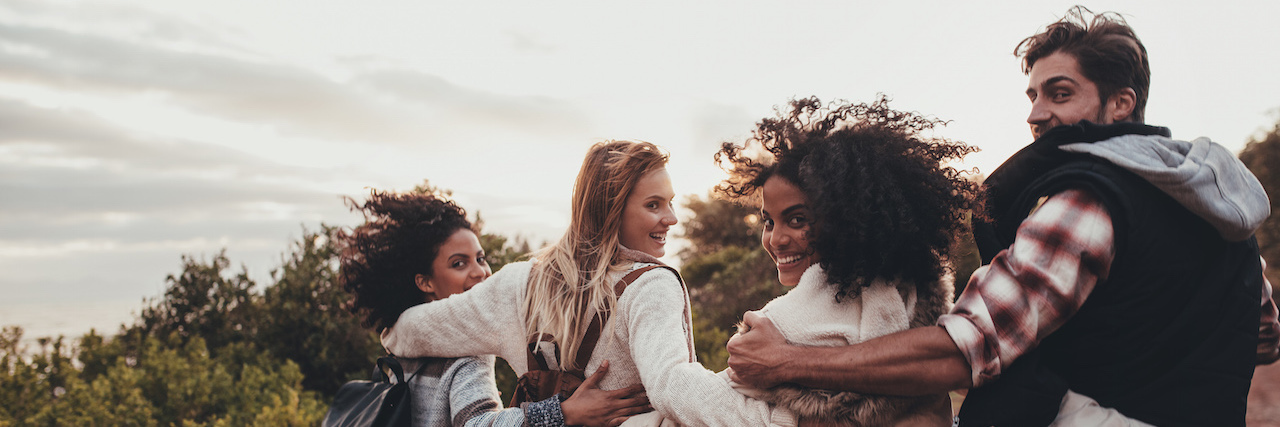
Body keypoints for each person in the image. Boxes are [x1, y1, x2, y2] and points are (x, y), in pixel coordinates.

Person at [726, 7, 1279, 427]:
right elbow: (1262, 339)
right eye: (1033, 95)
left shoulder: (1087, 200)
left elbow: (961, 350)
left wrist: (786, 361)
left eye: (1059, 94)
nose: (1037, 114)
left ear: (1121, 104)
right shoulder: (1224, 216)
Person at [381, 141, 797, 426]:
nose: (671, 218)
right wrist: (777, 418)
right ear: (611, 209)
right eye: (654, 204)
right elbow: (674, 387)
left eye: (670, 202)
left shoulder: (517, 284)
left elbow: (402, 334)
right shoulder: (650, 285)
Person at [709, 97, 978, 425]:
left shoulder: (798, 321)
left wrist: (660, 389)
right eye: (769, 221)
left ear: (847, 220)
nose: (775, 239)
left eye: (797, 220)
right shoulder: (910, 297)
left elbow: (720, 397)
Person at [339, 189, 648, 427]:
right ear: (425, 282)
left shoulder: (402, 349)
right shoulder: (465, 354)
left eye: (481, 258)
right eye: (458, 264)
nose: (480, 273)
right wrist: (565, 412)